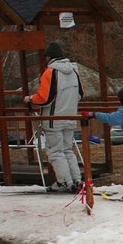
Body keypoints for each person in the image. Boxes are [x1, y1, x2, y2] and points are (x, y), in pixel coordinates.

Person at [23, 41, 84, 193]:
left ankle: (64, 182)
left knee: (56, 151)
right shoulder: (74, 71)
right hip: (70, 116)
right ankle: (77, 180)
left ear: (48, 56)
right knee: (68, 149)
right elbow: (80, 94)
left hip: (53, 118)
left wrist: (30, 99)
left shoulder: (50, 72)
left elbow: (45, 98)